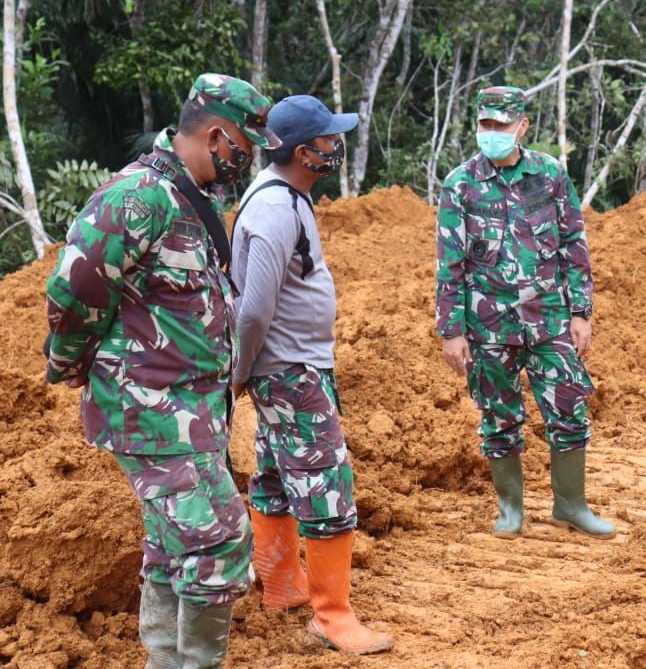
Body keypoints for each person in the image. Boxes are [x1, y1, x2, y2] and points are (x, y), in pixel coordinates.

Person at [45, 74, 280, 668]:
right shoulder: (140, 197)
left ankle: (166, 659)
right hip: (150, 410)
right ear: (219, 135)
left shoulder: (194, 199)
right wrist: (71, 361)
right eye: (245, 150)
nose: (246, 163)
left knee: (172, 542)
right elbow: (76, 286)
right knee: (220, 539)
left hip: (191, 412)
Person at [230, 95, 392, 655]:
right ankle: (332, 616)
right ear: (305, 152)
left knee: (275, 474)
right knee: (326, 484)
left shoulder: (285, 196)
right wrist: (241, 370)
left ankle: (280, 585)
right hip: (290, 372)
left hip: (289, 368)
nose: (335, 147)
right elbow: (252, 309)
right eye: (328, 141)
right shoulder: (275, 211)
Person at [435, 85, 613, 540]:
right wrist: (451, 331)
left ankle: (571, 505)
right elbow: (449, 262)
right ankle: (510, 509)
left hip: (550, 319)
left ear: (522, 127)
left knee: (570, 408)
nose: (491, 133)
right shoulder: (461, 184)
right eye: (484, 124)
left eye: (500, 125)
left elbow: (574, 244)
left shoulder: (550, 174)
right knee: (498, 417)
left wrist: (581, 312)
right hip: (488, 325)